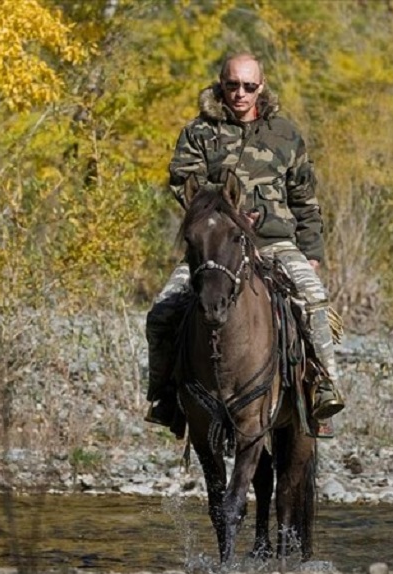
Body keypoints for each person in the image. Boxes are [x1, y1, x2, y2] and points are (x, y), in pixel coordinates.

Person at [145, 52, 345, 437]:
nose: (240, 93)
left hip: (275, 244)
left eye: (249, 86)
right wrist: (226, 218)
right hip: (215, 248)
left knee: (315, 304)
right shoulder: (198, 133)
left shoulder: (286, 134)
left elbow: (305, 199)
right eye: (233, 84)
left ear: (262, 86)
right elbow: (184, 186)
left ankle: (323, 390)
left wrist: (312, 253)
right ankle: (165, 396)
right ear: (221, 83)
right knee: (161, 313)